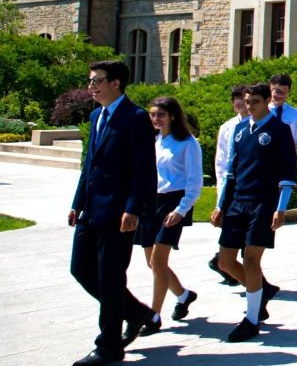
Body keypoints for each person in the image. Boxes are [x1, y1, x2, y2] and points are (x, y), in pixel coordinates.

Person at [68, 60, 157, 366]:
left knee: (110, 278)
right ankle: (136, 312)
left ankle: (108, 346)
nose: (91, 86)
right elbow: (90, 163)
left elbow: (144, 169)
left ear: (116, 83)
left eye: (97, 81)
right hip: (91, 210)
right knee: (80, 269)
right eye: (91, 81)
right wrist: (77, 202)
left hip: (119, 213)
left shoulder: (136, 118)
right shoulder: (96, 116)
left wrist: (133, 208)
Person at [211, 83, 297, 342]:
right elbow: (230, 172)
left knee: (251, 259)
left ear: (267, 101)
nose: (249, 106)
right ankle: (259, 291)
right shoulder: (239, 130)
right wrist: (220, 205)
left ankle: (251, 319)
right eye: (247, 102)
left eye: (255, 102)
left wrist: (280, 209)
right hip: (238, 202)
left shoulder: (279, 130)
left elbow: (287, 173)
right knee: (225, 261)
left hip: (263, 204)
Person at [134, 97, 203, 334]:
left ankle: (153, 317)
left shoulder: (188, 143)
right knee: (152, 262)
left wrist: (181, 210)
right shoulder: (154, 140)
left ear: (173, 115)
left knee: (158, 261)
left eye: (160, 114)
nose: (156, 119)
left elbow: (195, 182)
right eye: (153, 114)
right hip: (150, 203)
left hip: (174, 203)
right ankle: (183, 295)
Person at [208, 85, 249, 287]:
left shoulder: (257, 125)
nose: (240, 102)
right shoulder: (227, 127)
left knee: (246, 234)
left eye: (243, 98)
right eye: (236, 99)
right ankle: (229, 266)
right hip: (230, 185)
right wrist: (220, 195)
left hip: (248, 187)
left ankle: (232, 268)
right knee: (232, 230)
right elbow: (221, 162)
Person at [268, 74, 297, 193]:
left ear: (289, 93)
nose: (279, 95)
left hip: (286, 168)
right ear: (269, 89)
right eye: (276, 91)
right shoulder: (260, 113)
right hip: (262, 167)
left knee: (280, 208)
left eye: (284, 92)